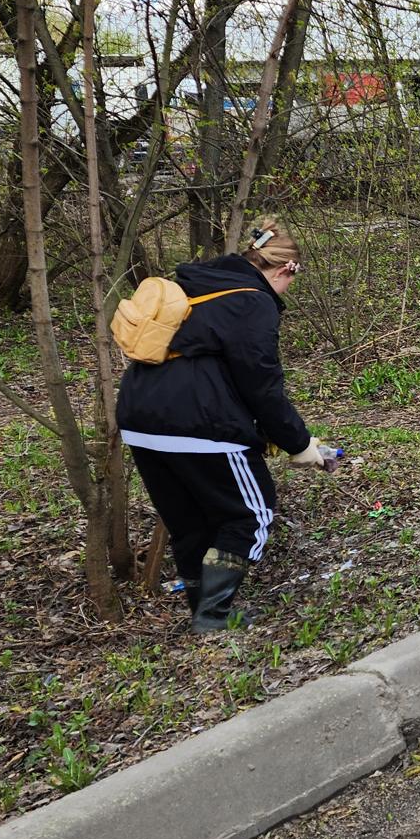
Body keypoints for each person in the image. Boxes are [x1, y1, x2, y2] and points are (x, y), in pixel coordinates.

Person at [117, 215, 335, 632]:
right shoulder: (252, 300)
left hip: (140, 417)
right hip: (200, 423)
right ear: (286, 268)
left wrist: (275, 435)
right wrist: (299, 443)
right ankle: (215, 614)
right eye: (294, 276)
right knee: (251, 513)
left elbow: (218, 368)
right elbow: (261, 383)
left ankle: (203, 613)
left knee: (189, 520)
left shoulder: (197, 286)